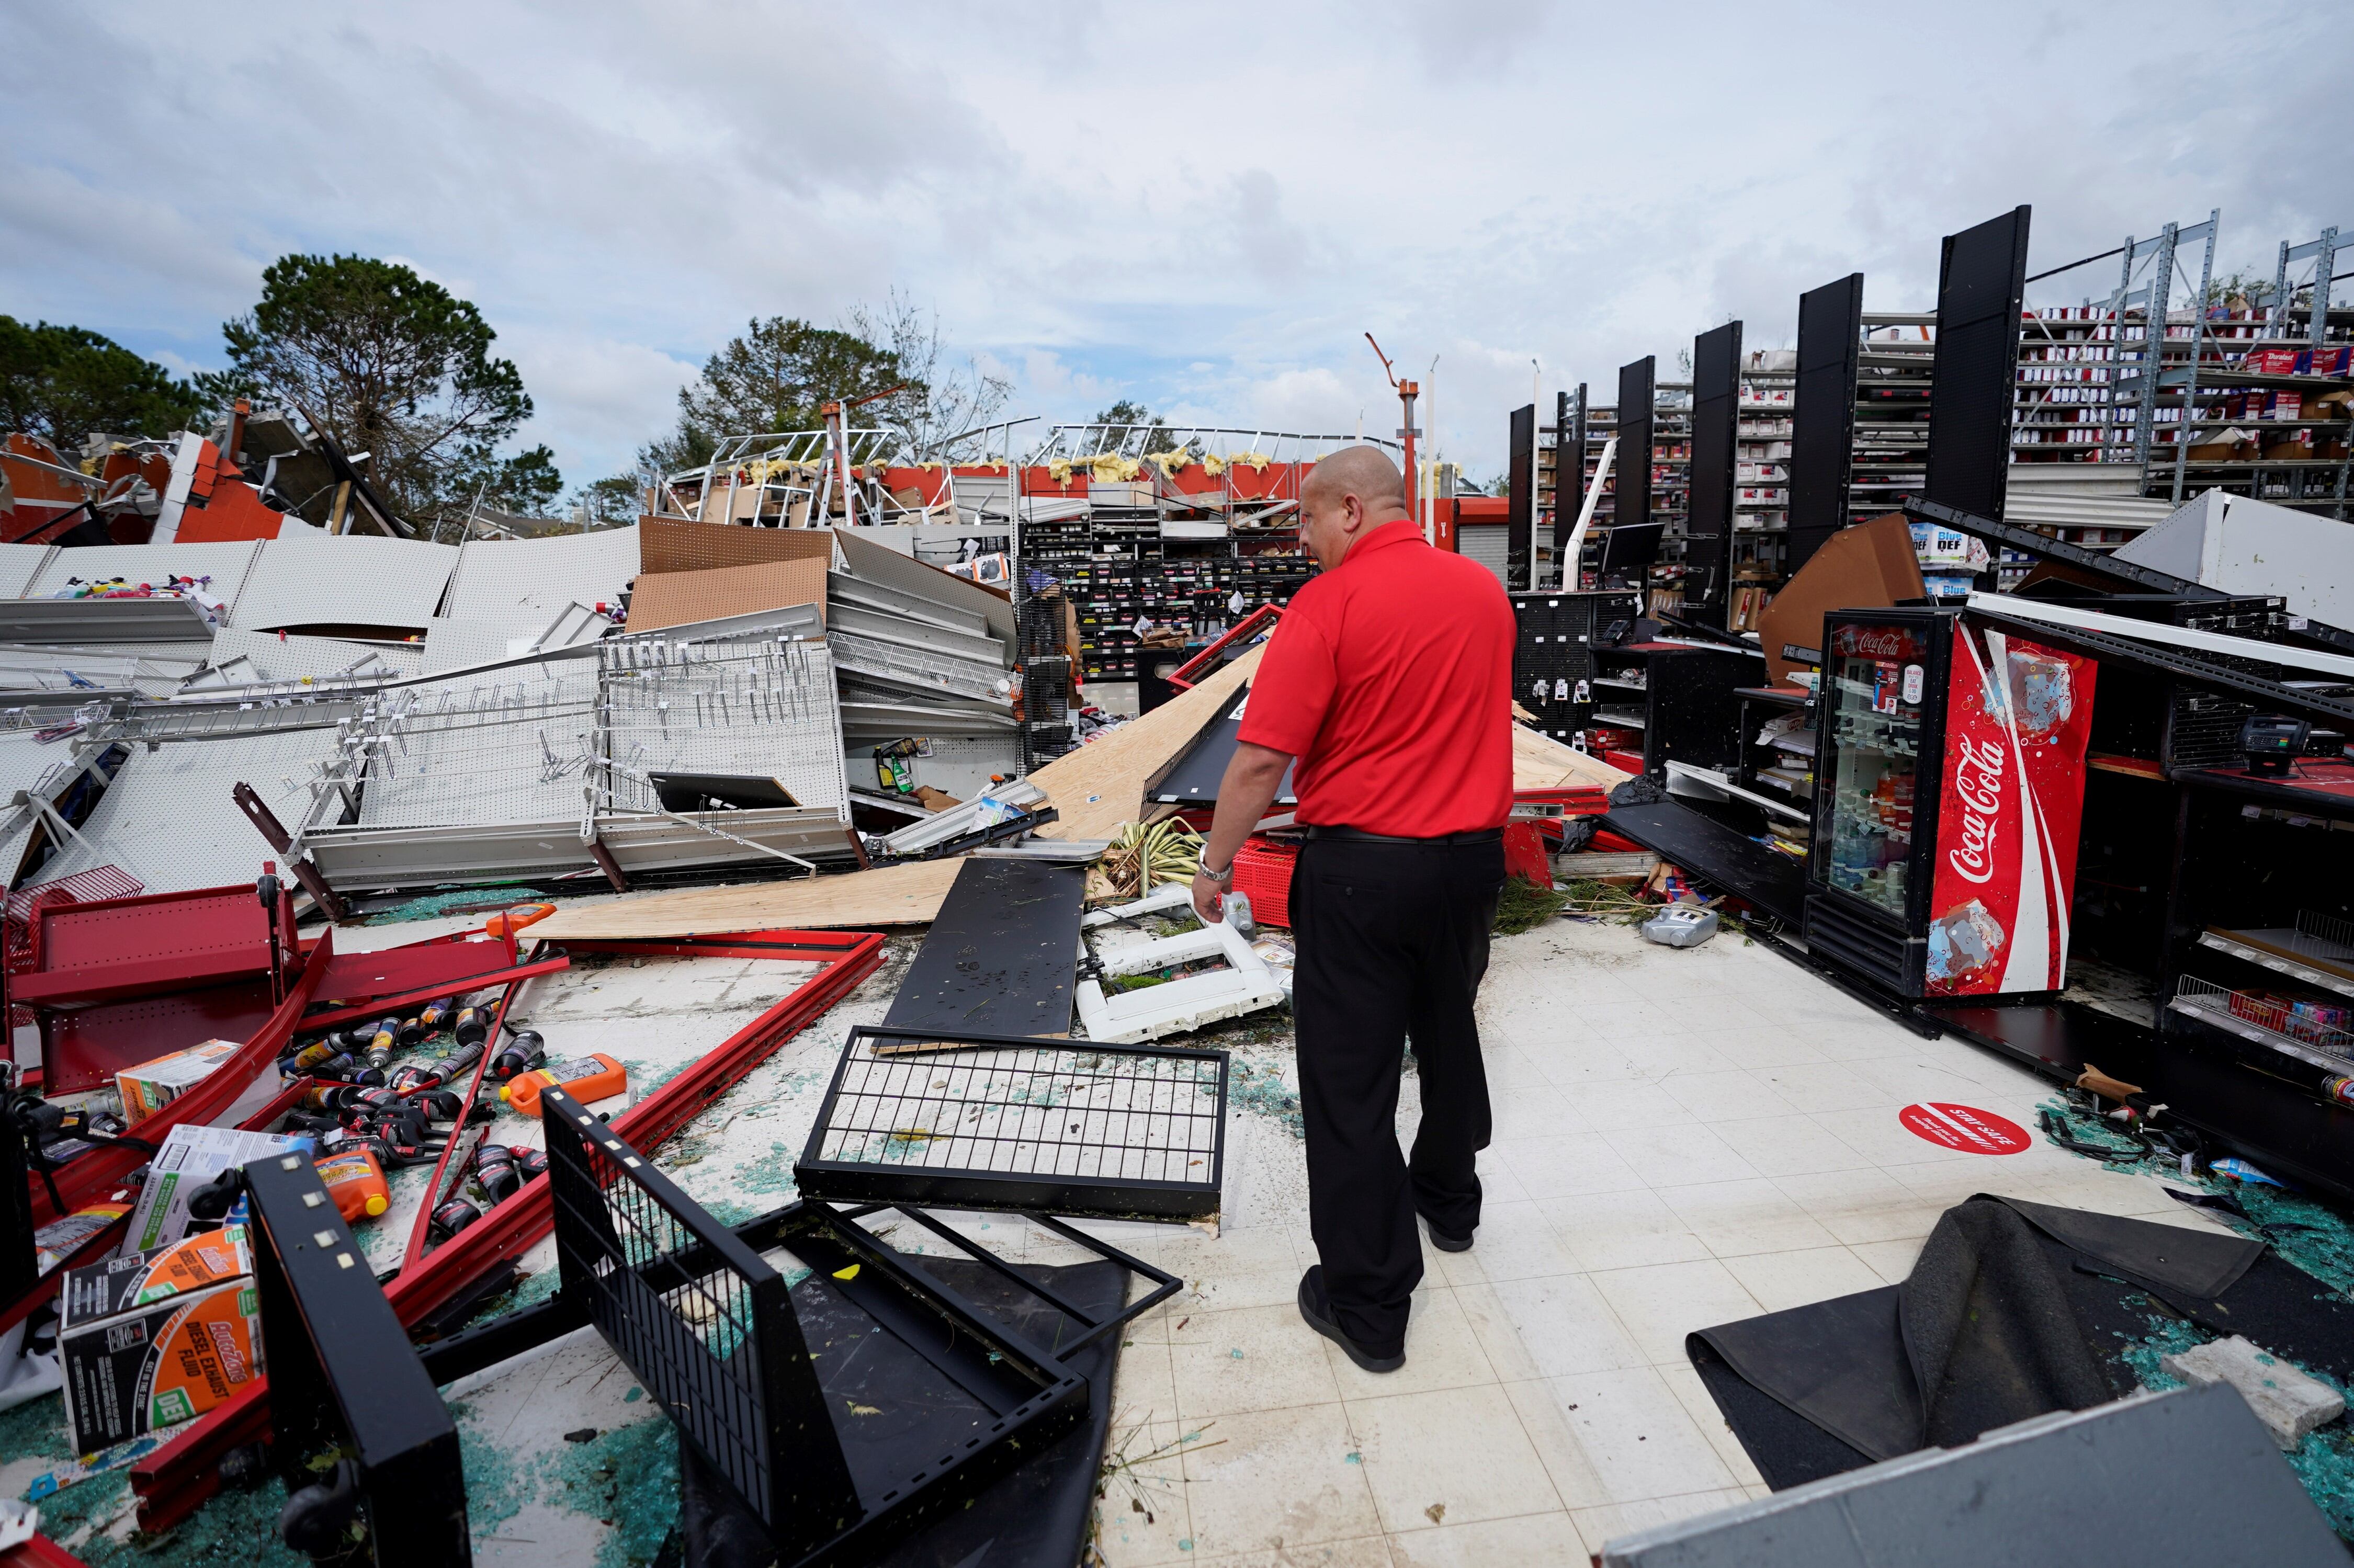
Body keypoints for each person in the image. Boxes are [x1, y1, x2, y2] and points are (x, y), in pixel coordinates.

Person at [1189, 445, 1514, 1372]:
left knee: (1350, 1084)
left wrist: (1215, 864)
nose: (1302, 540)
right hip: (1469, 868)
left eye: (1303, 519)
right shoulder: (1484, 596)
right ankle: (1449, 1205)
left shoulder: (1327, 606)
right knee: (1450, 1034)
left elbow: (1259, 762)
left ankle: (1368, 1306)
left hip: (1362, 875)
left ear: (1349, 508)